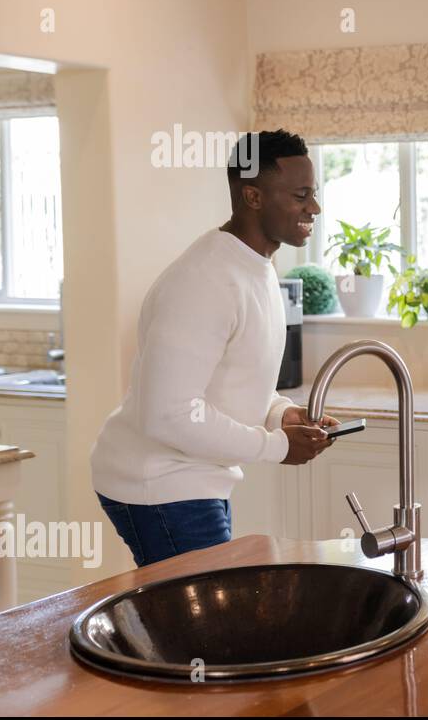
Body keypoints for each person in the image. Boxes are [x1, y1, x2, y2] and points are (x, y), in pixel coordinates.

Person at [90, 129, 339, 567]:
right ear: (253, 197)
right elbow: (169, 413)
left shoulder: (255, 267)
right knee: (206, 632)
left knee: (199, 626)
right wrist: (276, 446)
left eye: (313, 194)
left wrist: (280, 414)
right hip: (160, 482)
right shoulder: (203, 281)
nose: (313, 207)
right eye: (300, 195)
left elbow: (230, 381)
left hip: (197, 477)